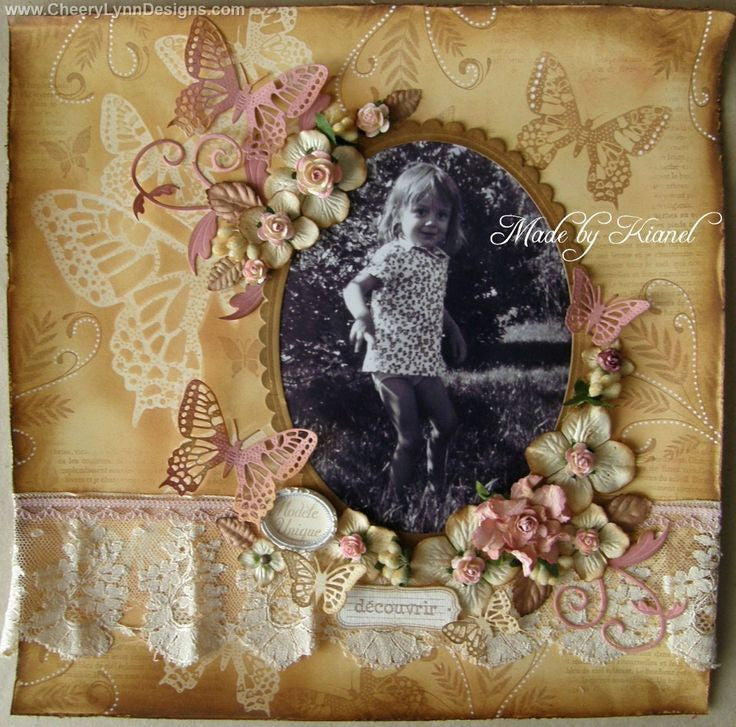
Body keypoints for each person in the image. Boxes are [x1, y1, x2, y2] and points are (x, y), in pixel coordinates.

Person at [343, 162, 467, 497]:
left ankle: (435, 486)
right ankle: (394, 501)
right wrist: (362, 316)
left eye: (441, 214)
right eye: (421, 211)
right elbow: (354, 287)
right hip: (389, 360)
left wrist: (453, 330)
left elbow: (433, 301)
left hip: (424, 360)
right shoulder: (394, 254)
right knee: (409, 438)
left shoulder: (438, 259)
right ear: (399, 213)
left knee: (447, 424)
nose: (431, 222)